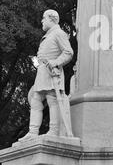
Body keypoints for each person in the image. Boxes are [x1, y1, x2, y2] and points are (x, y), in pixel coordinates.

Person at [19, 10, 74, 141]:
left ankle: (54, 131)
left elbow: (68, 52)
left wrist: (55, 63)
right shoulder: (49, 35)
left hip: (52, 71)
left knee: (52, 99)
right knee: (36, 100)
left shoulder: (59, 33)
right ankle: (33, 132)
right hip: (43, 71)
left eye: (44, 18)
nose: (42, 21)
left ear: (52, 19)